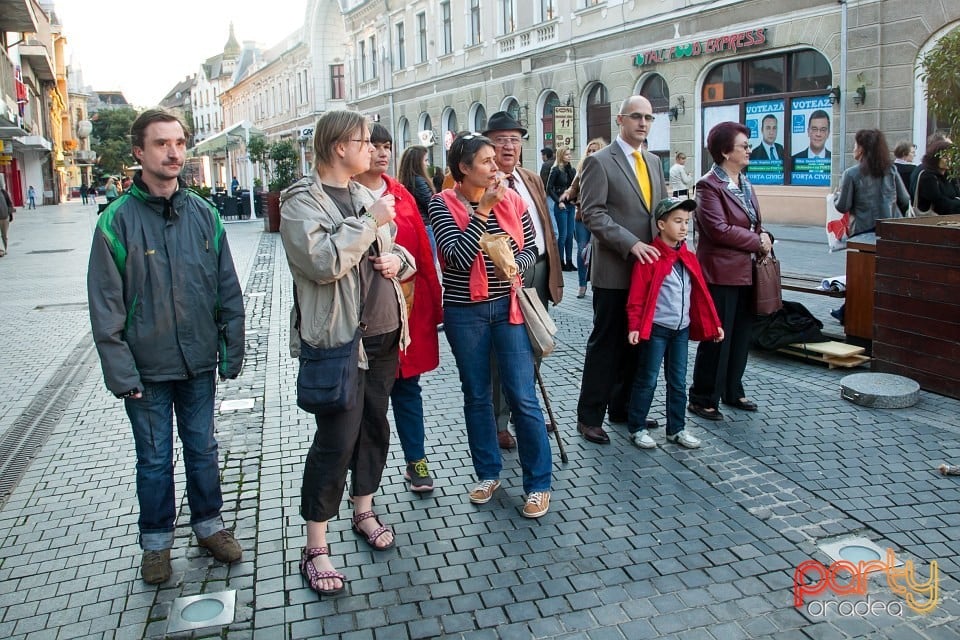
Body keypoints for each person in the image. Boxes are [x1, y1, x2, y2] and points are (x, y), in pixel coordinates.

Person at [86, 109, 246, 585]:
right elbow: (105, 307)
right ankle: (155, 545)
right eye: (161, 143)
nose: (174, 152)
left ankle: (209, 526)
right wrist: (121, 374)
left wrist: (230, 349)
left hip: (197, 363)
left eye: (179, 142)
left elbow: (227, 289)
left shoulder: (203, 213)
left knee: (203, 449)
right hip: (146, 371)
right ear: (139, 152)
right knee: (154, 460)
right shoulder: (116, 222)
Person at [280, 110, 412, 598]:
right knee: (336, 439)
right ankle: (315, 545)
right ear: (340, 146)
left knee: (375, 426)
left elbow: (396, 250)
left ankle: (364, 508)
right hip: (339, 341)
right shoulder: (301, 201)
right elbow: (321, 262)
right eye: (364, 140)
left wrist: (401, 259)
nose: (373, 147)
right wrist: (369, 222)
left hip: (383, 332)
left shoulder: (361, 194)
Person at [428, 131, 553, 518]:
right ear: (463, 170)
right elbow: (457, 257)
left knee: (522, 395)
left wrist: (516, 263)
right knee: (477, 395)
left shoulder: (513, 200)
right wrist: (483, 210)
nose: (495, 166)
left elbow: (532, 247)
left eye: (494, 159)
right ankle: (487, 473)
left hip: (508, 306)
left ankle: (538, 484)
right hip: (466, 313)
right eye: (485, 161)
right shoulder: (442, 203)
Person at [355, 124, 442, 493]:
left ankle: (416, 460)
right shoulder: (345, 193)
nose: (382, 152)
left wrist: (433, 305)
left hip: (404, 312)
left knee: (408, 390)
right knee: (363, 403)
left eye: (387, 146)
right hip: (362, 315)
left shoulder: (401, 193)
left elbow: (422, 253)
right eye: (373, 145)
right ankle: (361, 478)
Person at [575, 95, 665, 445]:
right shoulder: (600, 162)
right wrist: (630, 243)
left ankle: (625, 409)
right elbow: (593, 213)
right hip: (615, 269)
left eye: (648, 118)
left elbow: (656, 211)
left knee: (637, 342)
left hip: (648, 270)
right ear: (620, 120)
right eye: (636, 117)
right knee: (607, 344)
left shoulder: (654, 162)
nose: (643, 123)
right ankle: (590, 416)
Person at [483, 111, 563, 449]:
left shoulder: (530, 177)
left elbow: (545, 224)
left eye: (514, 140)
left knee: (534, 344)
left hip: (539, 269)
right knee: (503, 351)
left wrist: (554, 270)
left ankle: (523, 410)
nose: (508, 146)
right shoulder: (483, 182)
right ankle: (498, 421)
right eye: (501, 140)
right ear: (489, 144)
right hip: (504, 276)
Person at [688, 121, 773, 421]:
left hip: (747, 271)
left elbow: (753, 222)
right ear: (725, 151)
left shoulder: (745, 183)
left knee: (740, 334)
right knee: (717, 335)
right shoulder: (708, 185)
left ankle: (732, 389)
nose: (749, 150)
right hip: (720, 273)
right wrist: (756, 241)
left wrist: (766, 237)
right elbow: (718, 230)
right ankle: (702, 396)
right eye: (744, 146)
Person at [626, 197, 723, 450]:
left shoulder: (688, 257)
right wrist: (635, 326)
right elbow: (636, 297)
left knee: (678, 381)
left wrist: (715, 324)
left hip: (681, 329)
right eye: (677, 221)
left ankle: (676, 429)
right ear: (661, 224)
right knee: (647, 379)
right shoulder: (650, 257)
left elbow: (702, 295)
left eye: (687, 222)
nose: (683, 227)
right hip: (657, 329)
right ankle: (637, 427)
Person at [830, 129, 910, 324]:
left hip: (863, 233)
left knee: (862, 277)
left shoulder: (852, 173)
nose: (853, 149)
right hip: (889, 232)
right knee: (883, 274)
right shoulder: (890, 169)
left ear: (863, 149)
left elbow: (843, 206)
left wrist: (836, 196)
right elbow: (905, 199)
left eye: (856, 145)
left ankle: (852, 314)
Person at [561, 137, 605, 299]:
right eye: (590, 150)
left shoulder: (607, 168)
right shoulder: (582, 169)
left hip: (601, 217)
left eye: (595, 150)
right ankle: (581, 284)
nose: (592, 153)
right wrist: (567, 195)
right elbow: (573, 187)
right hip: (582, 216)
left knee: (597, 252)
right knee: (581, 250)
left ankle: (596, 283)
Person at [398, 145, 438, 258]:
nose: (428, 164)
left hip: (416, 227)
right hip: (426, 227)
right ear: (417, 163)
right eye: (425, 160)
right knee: (430, 264)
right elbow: (431, 206)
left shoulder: (407, 180)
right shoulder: (418, 181)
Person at [546, 146, 577, 271]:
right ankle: (560, 261)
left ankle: (569, 261)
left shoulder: (571, 169)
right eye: (566, 155)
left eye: (570, 154)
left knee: (570, 235)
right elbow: (549, 188)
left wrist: (574, 200)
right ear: (561, 156)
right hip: (561, 205)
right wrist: (558, 201)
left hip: (570, 205)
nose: (569, 156)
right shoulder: (555, 170)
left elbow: (574, 186)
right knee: (563, 235)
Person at [912, 139, 960, 215]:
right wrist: (956, 202)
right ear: (935, 158)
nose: (949, 160)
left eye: (950, 156)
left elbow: (957, 194)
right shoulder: (927, 176)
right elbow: (939, 201)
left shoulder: (949, 175)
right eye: (945, 157)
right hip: (932, 220)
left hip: (951, 218)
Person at [0, 182, 14, 257]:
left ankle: (4, 249)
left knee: (4, 235)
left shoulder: (3, 192)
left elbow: (9, 203)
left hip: (4, 217)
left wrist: (11, 214)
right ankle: (1, 250)